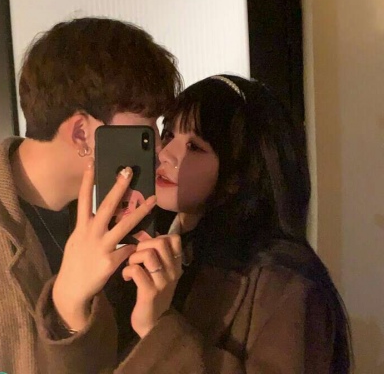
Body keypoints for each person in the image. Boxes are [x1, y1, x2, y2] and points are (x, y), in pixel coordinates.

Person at [35, 75, 353, 373]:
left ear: (237, 175)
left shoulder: (284, 283)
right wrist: (72, 302)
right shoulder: (143, 248)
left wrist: (158, 328)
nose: (165, 154)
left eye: (194, 147)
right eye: (168, 134)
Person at [0, 17, 182, 374]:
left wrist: (154, 328)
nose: (157, 147)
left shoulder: (121, 212)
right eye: (146, 130)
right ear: (80, 133)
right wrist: (69, 302)